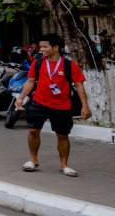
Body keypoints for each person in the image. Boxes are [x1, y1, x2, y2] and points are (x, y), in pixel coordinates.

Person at [15, 33, 90, 177]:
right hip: (39, 103)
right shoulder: (38, 63)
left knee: (62, 136)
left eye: (45, 47)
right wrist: (21, 97)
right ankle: (33, 160)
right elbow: (30, 81)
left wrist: (85, 106)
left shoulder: (69, 65)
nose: (41, 49)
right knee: (33, 131)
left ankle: (64, 165)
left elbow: (79, 85)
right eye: (40, 46)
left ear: (55, 48)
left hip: (62, 106)